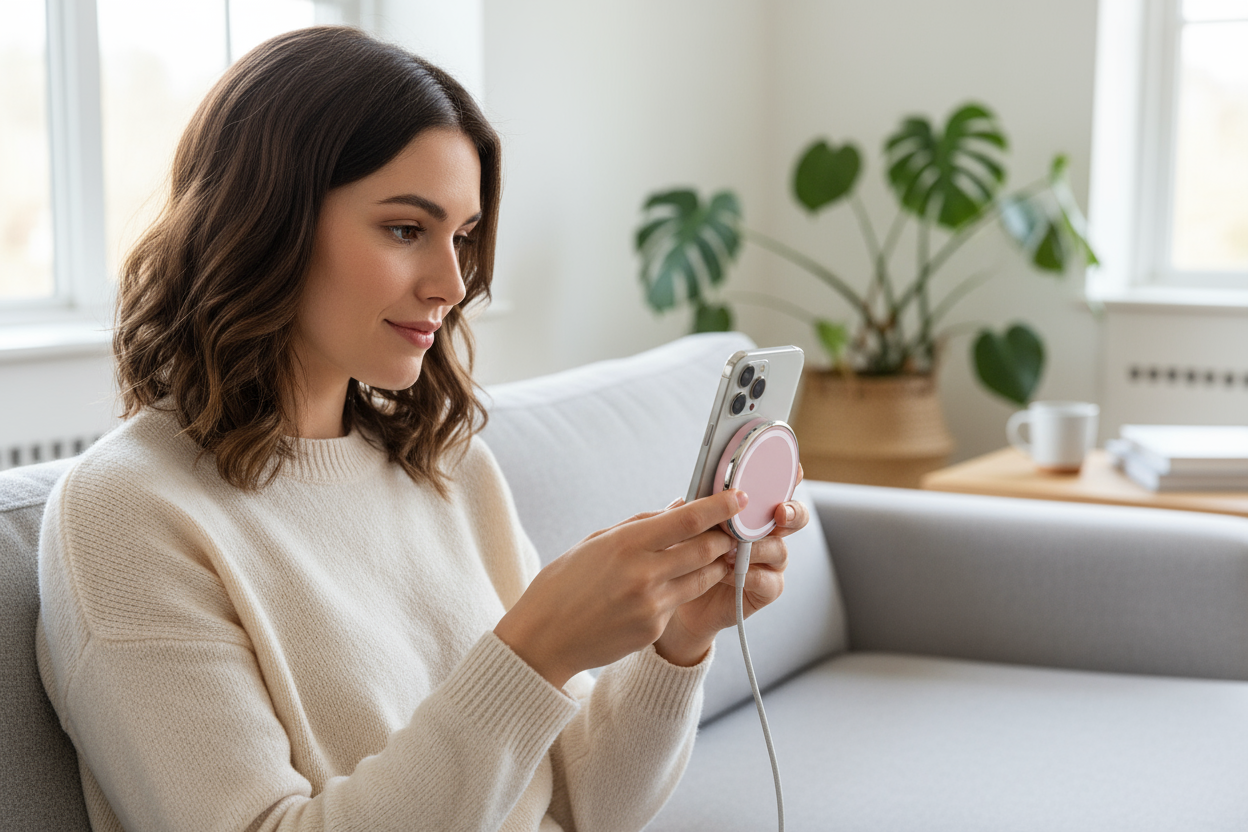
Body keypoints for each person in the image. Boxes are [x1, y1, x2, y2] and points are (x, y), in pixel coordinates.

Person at [35, 26, 807, 832]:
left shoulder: (446, 468)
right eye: (407, 229)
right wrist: (535, 650)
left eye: (464, 237)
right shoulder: (127, 514)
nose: (451, 283)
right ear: (267, 220)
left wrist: (680, 641)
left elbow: (587, 808)